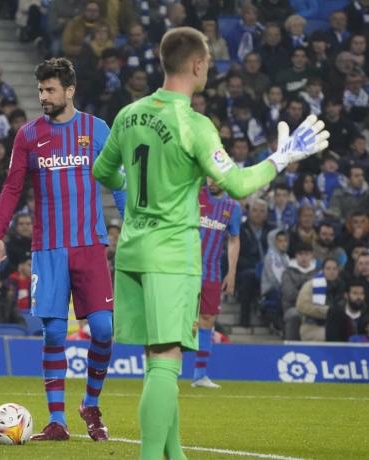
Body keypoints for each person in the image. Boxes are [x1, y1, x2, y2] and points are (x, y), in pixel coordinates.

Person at [92, 27, 329, 459]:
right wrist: (281, 158)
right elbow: (237, 184)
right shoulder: (194, 124)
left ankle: (173, 453)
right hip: (170, 254)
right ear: (199, 65)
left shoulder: (128, 114)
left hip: (130, 253)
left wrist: (137, 192)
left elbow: (103, 173)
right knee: (166, 359)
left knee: (156, 359)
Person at [0, 58, 126, 442]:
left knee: (103, 330)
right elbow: (12, 187)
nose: (43, 97)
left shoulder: (97, 130)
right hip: (48, 248)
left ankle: (91, 405)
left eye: (50, 90)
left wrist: (131, 225)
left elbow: (119, 183)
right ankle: (57, 421)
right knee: (52, 333)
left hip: (90, 244)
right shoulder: (28, 135)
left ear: (69, 90)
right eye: (40, 90)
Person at [193, 178, 241, 389]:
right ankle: (164, 369)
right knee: (176, 319)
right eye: (209, 176)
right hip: (185, 268)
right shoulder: (195, 194)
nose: (211, 181)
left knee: (207, 319)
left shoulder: (232, 207)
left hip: (211, 271)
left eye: (216, 177)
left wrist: (231, 272)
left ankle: (199, 375)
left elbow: (234, 238)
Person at [296, 258, 343, 341]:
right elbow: (301, 306)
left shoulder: (342, 286)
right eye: (328, 269)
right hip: (312, 326)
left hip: (337, 325)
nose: (331, 272)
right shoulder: (311, 285)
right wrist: (327, 311)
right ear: (322, 270)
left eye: (334, 269)